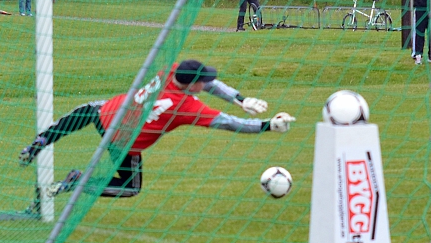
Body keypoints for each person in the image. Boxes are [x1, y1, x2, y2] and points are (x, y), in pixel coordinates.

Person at [18, 59, 295, 200]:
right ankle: (76, 181)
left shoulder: (170, 71)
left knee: (85, 111)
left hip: (107, 114)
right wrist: (267, 125)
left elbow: (210, 85)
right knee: (130, 188)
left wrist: (240, 98)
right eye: (203, 81)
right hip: (124, 141)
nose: (208, 83)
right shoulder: (186, 107)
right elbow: (228, 123)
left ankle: (40, 142)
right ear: (193, 84)